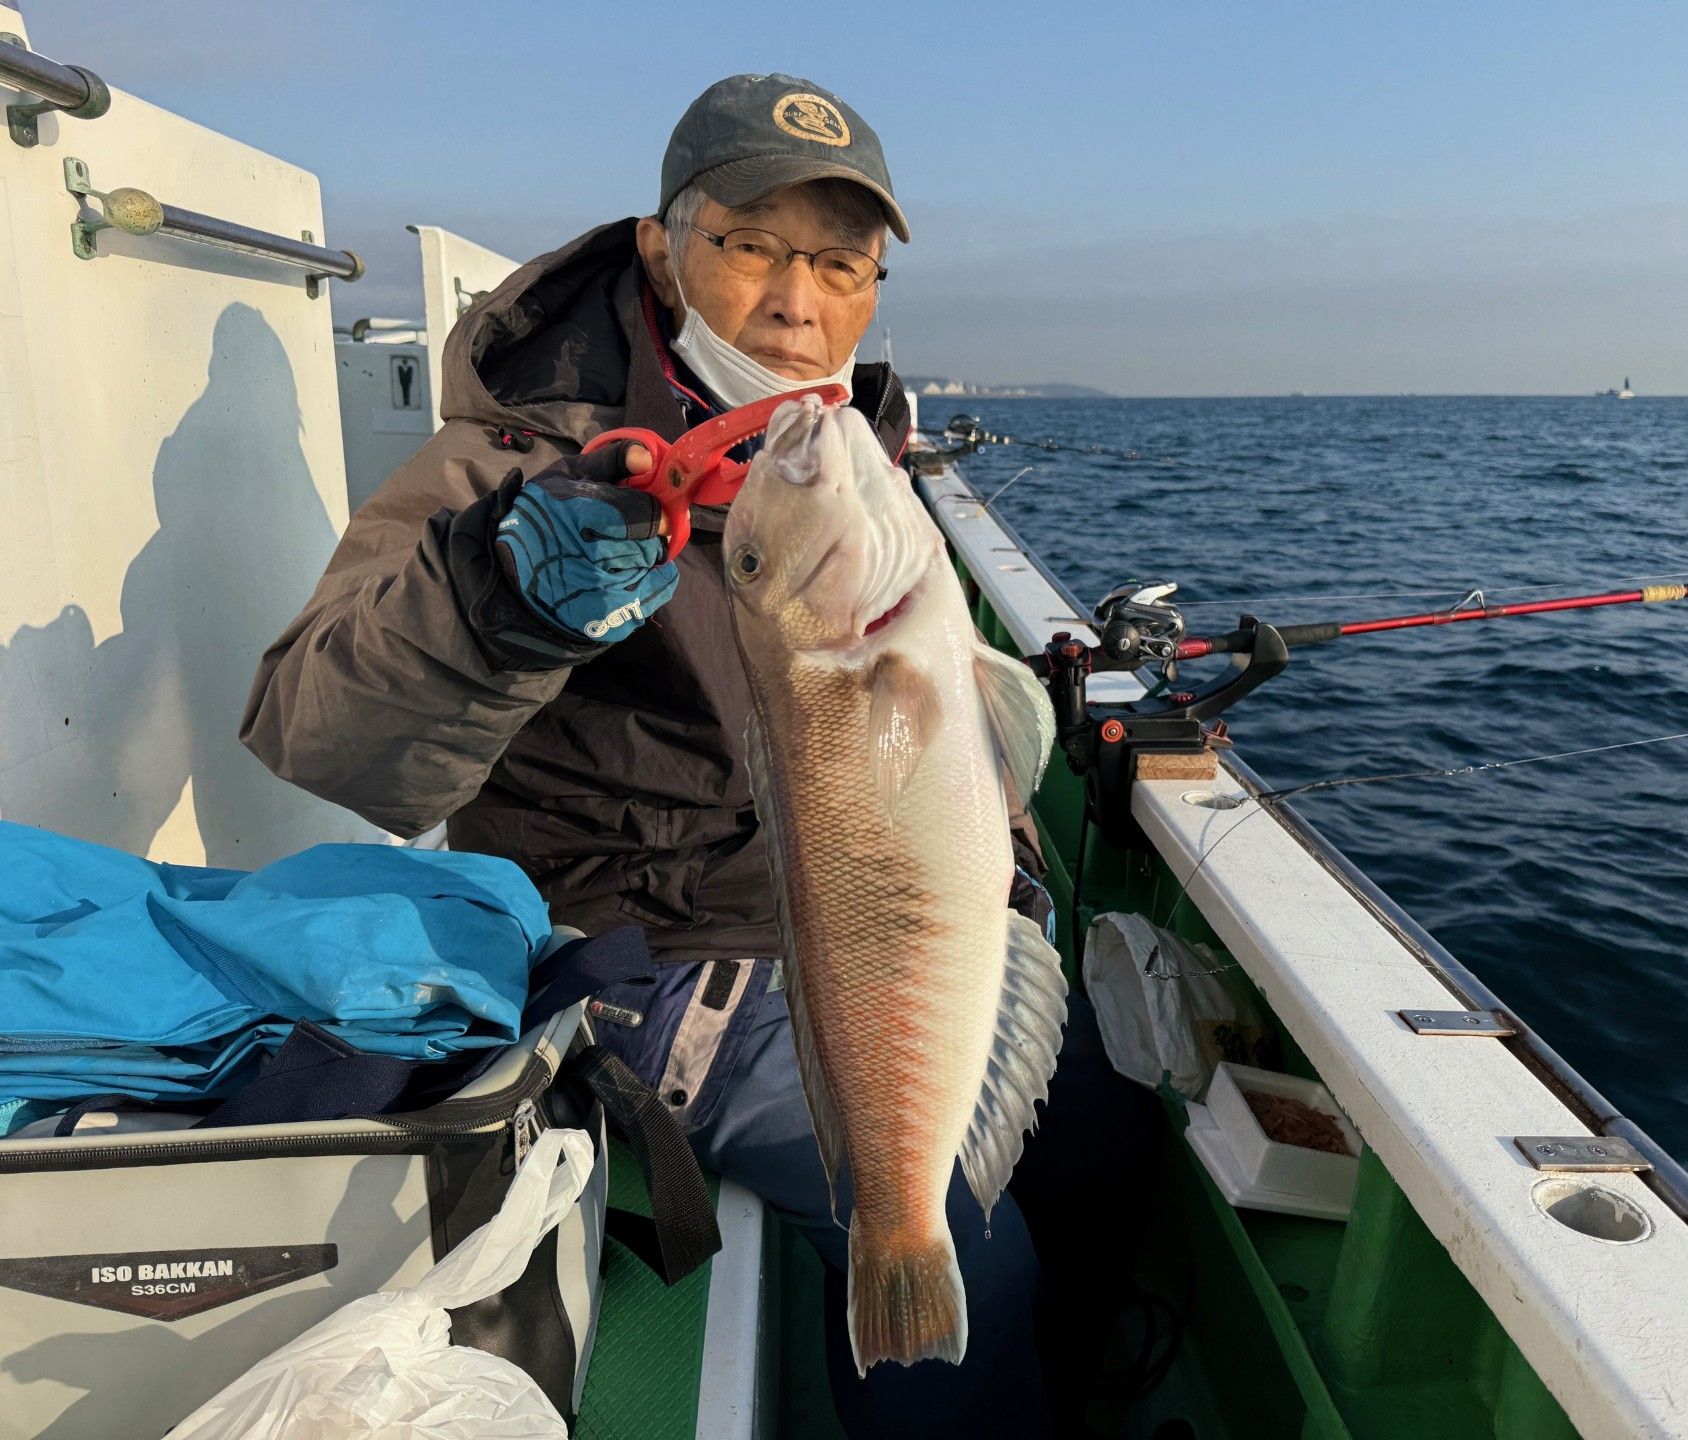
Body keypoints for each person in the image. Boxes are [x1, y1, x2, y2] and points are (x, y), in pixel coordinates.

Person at [242, 73, 1150, 1438]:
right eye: (752, 246)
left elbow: (969, 743)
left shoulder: (851, 449)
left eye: (841, 264)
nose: (797, 300)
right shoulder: (516, 458)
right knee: (958, 1248)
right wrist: (497, 601)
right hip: (651, 956)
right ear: (663, 250)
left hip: (858, 922)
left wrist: (998, 867)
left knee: (1107, 1142)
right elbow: (318, 729)